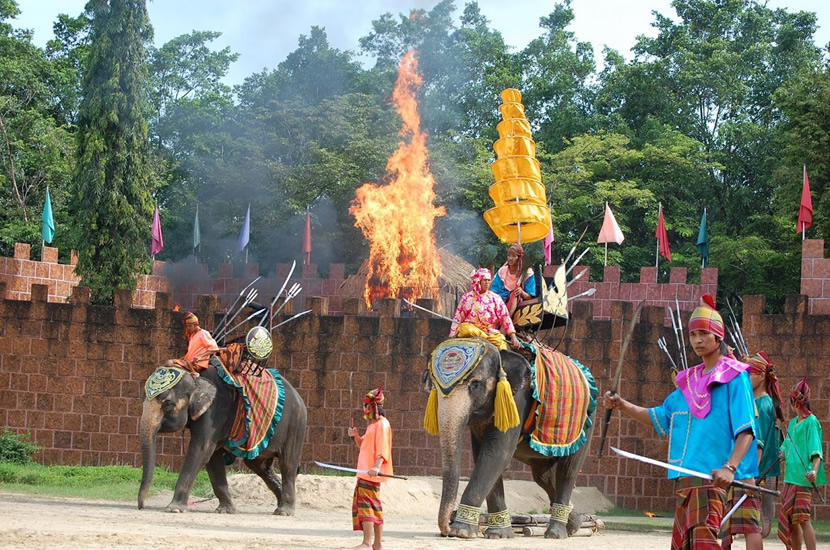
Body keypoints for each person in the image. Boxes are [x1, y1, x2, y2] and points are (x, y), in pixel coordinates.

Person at [603, 293, 757, 549]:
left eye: (704, 334)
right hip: (685, 480)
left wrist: (730, 467)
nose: (697, 340)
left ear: (719, 336)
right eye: (693, 335)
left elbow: (747, 430)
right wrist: (621, 404)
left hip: (712, 477)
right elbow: (660, 417)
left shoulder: (734, 376)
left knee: (704, 543)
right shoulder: (688, 381)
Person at [721, 351, 784, 549]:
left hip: (749, 473)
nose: (745, 378)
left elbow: (758, 443)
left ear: (761, 375)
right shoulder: (752, 402)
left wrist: (750, 476)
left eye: (749, 374)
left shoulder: (763, 404)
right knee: (728, 526)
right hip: (739, 471)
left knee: (750, 525)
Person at [778, 378, 825, 550]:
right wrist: (780, 454)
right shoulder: (792, 424)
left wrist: (814, 470)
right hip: (790, 478)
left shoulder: (811, 422)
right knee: (791, 520)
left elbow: (816, 451)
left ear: (795, 402)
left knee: (804, 519)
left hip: (803, 479)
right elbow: (786, 448)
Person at [348, 387, 393, 550]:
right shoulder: (372, 425)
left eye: (366, 406)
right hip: (364, 472)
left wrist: (376, 466)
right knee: (373, 506)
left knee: (368, 507)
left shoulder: (382, 424)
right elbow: (364, 446)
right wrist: (356, 436)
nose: (364, 409)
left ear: (373, 407)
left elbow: (383, 448)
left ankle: (367, 543)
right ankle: (376, 544)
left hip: (371, 473)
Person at [449, 267, 521, 351]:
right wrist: (452, 335)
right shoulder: (467, 297)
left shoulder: (495, 298)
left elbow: (505, 317)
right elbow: (458, 317)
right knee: (464, 328)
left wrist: (513, 336)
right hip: (472, 330)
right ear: (478, 281)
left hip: (490, 333)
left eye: (489, 280)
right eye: (484, 280)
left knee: (502, 344)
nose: (487, 283)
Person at [164, 311, 219, 377]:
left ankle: (195, 373)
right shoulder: (192, 335)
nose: (188, 328)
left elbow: (214, 349)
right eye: (187, 326)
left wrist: (200, 356)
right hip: (189, 361)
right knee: (168, 364)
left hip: (197, 364)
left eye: (190, 326)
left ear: (196, 325)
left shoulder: (203, 333)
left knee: (170, 363)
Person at [490, 242, 536, 314]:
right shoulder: (502, 271)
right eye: (509, 255)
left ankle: (505, 323)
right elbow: (494, 291)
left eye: (514, 256)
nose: (510, 258)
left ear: (519, 258)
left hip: (516, 301)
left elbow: (530, 297)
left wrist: (521, 292)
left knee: (514, 294)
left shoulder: (527, 273)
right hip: (499, 300)